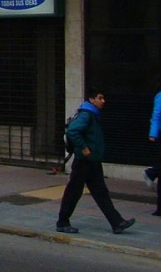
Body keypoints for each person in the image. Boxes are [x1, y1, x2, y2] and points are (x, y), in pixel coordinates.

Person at [57, 89, 135, 235]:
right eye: (100, 98)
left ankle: (117, 222)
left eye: (103, 98)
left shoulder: (93, 115)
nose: (103, 101)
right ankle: (62, 222)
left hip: (92, 161)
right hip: (84, 161)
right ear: (92, 100)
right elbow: (72, 131)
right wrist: (84, 147)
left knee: (101, 192)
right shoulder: (87, 115)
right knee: (74, 192)